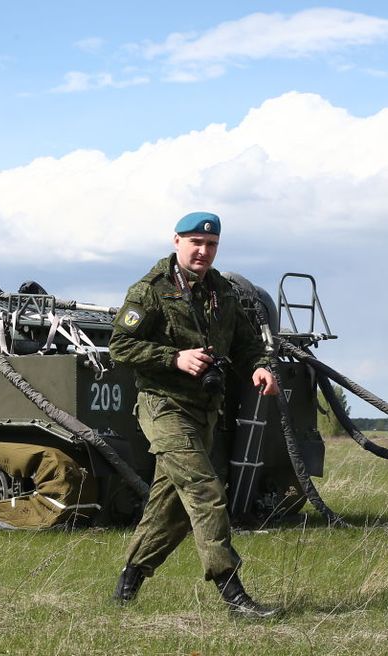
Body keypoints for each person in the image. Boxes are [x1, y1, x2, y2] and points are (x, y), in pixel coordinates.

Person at [108, 211, 280, 619]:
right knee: (205, 491)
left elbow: (246, 342)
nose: (203, 251)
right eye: (195, 243)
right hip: (163, 405)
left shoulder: (221, 291)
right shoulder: (149, 291)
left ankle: (128, 583)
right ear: (176, 242)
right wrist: (174, 357)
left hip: (203, 411)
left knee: (169, 510)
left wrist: (260, 365)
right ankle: (232, 592)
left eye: (211, 245)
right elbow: (120, 346)